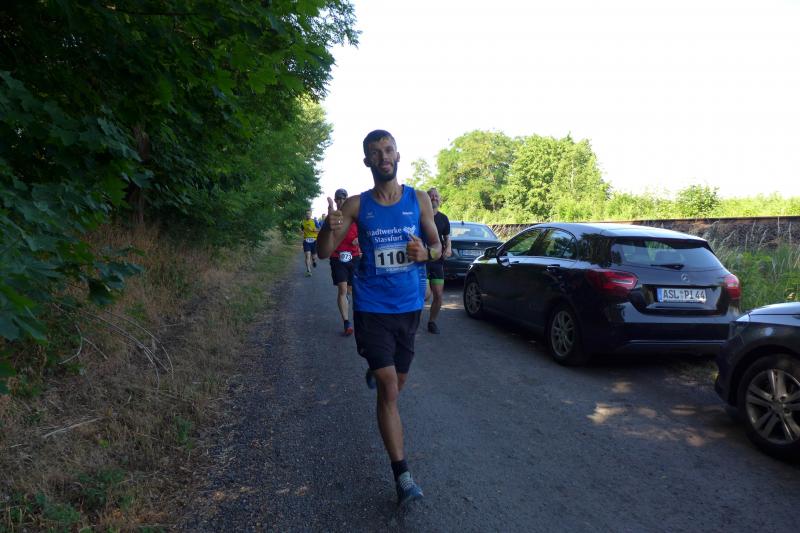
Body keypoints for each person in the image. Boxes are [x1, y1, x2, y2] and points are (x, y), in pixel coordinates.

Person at [316, 130, 442, 507]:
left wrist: (427, 254)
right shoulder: (357, 205)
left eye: (388, 150)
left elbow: (437, 246)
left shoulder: (419, 200)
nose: (383, 156)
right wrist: (327, 227)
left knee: (397, 383)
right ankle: (403, 476)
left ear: (397, 155)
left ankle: (379, 369)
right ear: (367, 161)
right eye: (375, 152)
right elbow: (323, 252)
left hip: (408, 308)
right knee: (389, 388)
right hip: (371, 308)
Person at [329, 188, 361, 336]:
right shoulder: (333, 218)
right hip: (337, 257)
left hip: (354, 257)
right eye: (339, 199)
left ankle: (347, 300)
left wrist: (359, 239)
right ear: (335, 200)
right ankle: (347, 323)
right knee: (342, 289)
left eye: (344, 198)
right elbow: (326, 238)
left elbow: (365, 233)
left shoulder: (355, 217)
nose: (341, 201)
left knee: (351, 289)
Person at [424, 188, 451, 334]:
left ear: (439, 199)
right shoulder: (421, 216)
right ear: (426, 199)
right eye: (431, 196)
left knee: (439, 295)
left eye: (436, 196)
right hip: (422, 260)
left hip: (437, 261)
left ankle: (432, 322)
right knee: (426, 295)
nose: (434, 198)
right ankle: (411, 317)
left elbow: (447, 237)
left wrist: (448, 248)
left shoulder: (443, 218)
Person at [300, 209, 318, 277]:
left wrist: (313, 230)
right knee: (307, 256)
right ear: (305, 214)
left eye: (309, 214)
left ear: (311, 214)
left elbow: (320, 229)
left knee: (314, 256)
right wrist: (301, 232)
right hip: (306, 241)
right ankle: (308, 271)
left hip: (314, 240)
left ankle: (314, 261)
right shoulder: (302, 222)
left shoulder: (314, 221)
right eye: (307, 213)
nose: (308, 215)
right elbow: (301, 230)